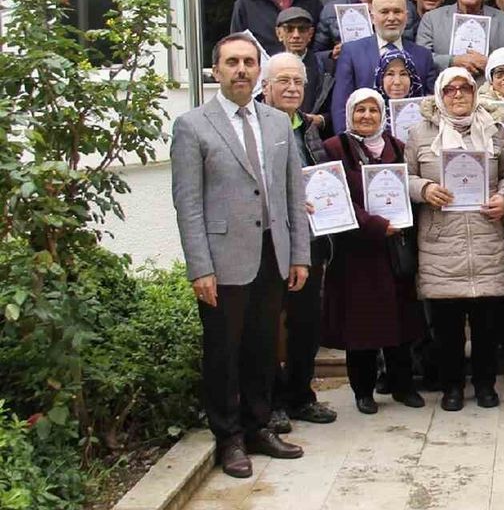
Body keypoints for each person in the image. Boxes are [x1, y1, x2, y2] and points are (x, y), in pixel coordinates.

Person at [170, 34, 310, 478]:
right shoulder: (193, 126)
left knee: (262, 347)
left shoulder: (277, 123)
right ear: (216, 70)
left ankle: (257, 426)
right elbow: (188, 204)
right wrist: (200, 268)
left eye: (249, 62)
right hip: (223, 258)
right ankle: (228, 437)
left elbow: (293, 194)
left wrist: (299, 254)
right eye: (232, 62)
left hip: (272, 251)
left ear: (258, 70)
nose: (242, 70)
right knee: (223, 351)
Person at [404, 69, 504, 411]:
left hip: (486, 238)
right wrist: (424, 189)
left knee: (487, 325)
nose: (457, 95)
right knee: (447, 326)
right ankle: (452, 386)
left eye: (464, 88)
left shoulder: (493, 130)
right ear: (440, 94)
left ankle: (485, 385)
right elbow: (404, 177)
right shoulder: (420, 133)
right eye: (450, 89)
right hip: (441, 241)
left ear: (474, 92)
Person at [321, 89, 428, 415]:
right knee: (361, 325)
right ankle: (363, 390)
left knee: (401, 321)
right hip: (356, 252)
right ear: (349, 113)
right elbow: (335, 195)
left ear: (383, 115)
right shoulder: (334, 148)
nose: (366, 116)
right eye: (360, 110)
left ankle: (402, 385)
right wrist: (375, 224)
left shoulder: (397, 146)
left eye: (373, 110)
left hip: (395, 250)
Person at [260, 53, 338, 433]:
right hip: (271, 239)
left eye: (298, 82)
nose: (292, 88)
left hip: (311, 239)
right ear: (265, 87)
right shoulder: (255, 125)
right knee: (270, 324)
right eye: (283, 81)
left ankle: (300, 395)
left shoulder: (308, 127)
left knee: (307, 322)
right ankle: (272, 401)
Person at [331, 0, 437, 135]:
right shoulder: (352, 52)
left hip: (413, 139)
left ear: (406, 17)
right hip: (363, 141)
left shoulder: (423, 55)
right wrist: (347, 143)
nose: (391, 18)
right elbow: (341, 105)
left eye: (397, 12)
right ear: (372, 17)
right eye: (384, 12)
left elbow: (432, 104)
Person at [274, 7, 335, 136]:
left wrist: (321, 119)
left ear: (310, 34)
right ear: (279, 33)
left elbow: (338, 107)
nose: (296, 35)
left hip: (315, 136)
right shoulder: (269, 67)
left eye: (302, 29)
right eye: (289, 29)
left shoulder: (326, 66)